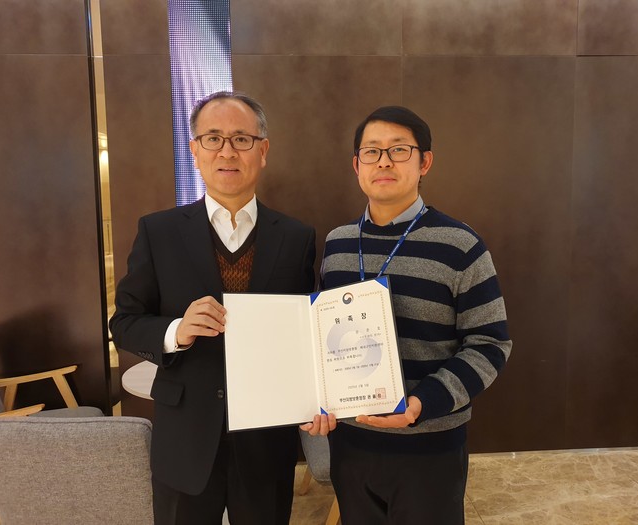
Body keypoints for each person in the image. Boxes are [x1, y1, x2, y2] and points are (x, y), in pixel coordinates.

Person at [110, 91, 316, 524]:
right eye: (213, 138)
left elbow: (304, 335)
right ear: (195, 151)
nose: (227, 151)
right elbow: (125, 322)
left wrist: (313, 400)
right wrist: (176, 331)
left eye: (241, 139)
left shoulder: (296, 237)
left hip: (266, 441)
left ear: (263, 150)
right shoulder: (158, 232)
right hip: (184, 439)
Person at [301, 106, 512, 524]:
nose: (383, 161)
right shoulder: (337, 244)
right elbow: (323, 340)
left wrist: (422, 403)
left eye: (398, 150)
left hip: (429, 445)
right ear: (356, 165)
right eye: (371, 151)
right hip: (352, 444)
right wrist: (315, 398)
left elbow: (490, 344)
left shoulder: (460, 245)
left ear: (424, 162)